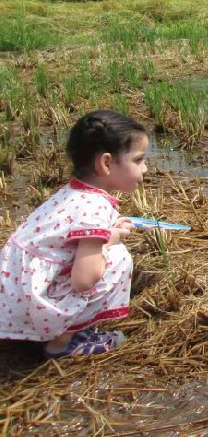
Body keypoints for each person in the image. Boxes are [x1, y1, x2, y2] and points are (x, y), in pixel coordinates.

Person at [0, 109, 148, 358]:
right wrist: (109, 243)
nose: (145, 168)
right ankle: (62, 341)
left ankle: (38, 329)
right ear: (106, 163)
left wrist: (108, 234)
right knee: (118, 259)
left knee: (106, 249)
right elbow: (84, 279)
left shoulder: (72, 194)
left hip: (12, 297)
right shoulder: (94, 208)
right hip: (29, 302)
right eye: (139, 160)